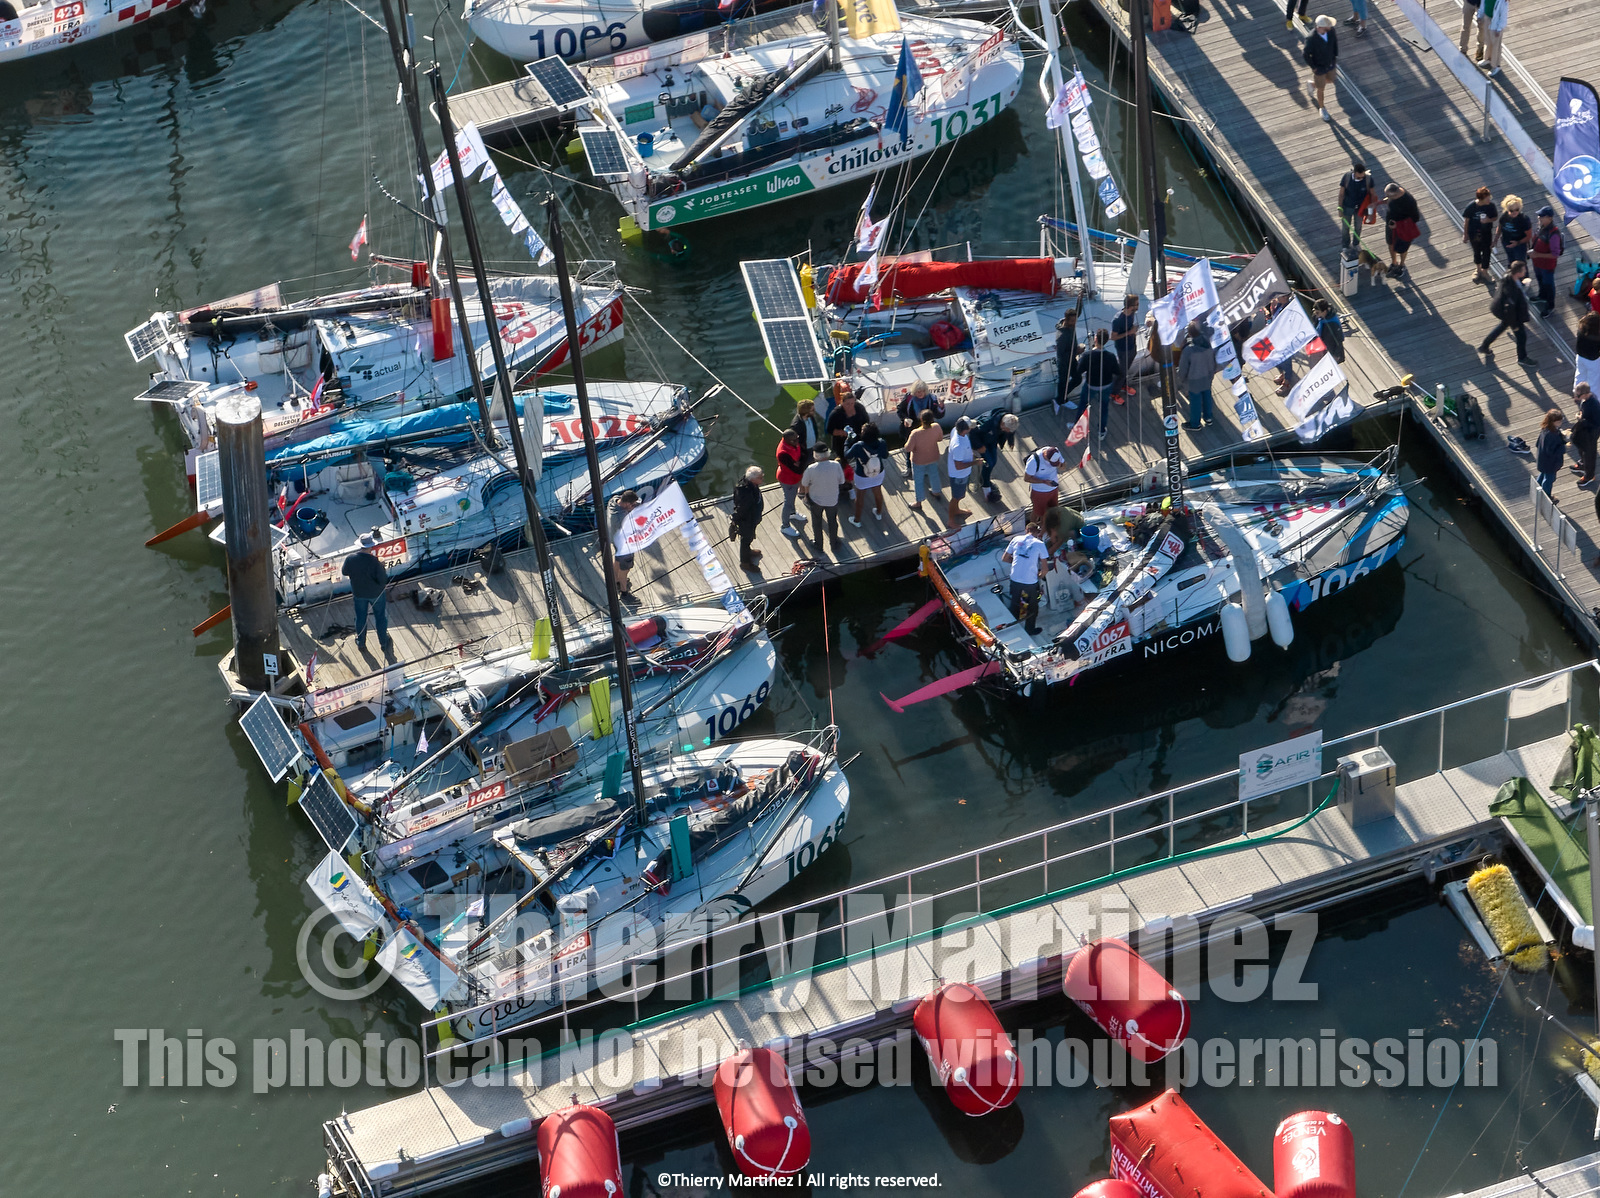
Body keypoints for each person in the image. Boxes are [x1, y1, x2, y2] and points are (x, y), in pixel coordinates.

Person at [343, 531, 393, 656]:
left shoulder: (350, 559)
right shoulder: (375, 562)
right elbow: (383, 580)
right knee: (380, 617)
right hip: (376, 594)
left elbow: (344, 572)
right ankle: (383, 643)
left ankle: (361, 643)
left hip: (359, 593)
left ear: (360, 545)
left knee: (360, 618)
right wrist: (382, 567)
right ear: (371, 546)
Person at [1478, 261, 1536, 366]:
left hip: (1502, 310)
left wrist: (1523, 284)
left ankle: (1484, 346)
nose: (1526, 271)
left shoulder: (1508, 277)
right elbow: (1511, 309)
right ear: (1518, 273)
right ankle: (1522, 358)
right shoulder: (1512, 292)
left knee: (1501, 327)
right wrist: (1516, 324)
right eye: (1524, 270)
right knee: (1521, 336)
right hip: (1511, 315)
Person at [1002, 521, 1051, 636]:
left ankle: (1013, 626)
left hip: (1014, 578)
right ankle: (1029, 629)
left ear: (1026, 530)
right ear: (1037, 533)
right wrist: (1039, 576)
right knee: (1033, 607)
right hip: (1030, 582)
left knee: (1015, 602)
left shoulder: (1015, 539)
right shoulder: (1039, 544)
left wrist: (1016, 562)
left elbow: (1004, 558)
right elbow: (1045, 569)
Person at [1078, 329, 1124, 443]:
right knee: (1104, 408)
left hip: (1091, 386)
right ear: (1107, 341)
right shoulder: (1111, 356)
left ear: (1095, 339)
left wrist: (1079, 358)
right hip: (1106, 386)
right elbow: (1118, 372)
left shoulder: (1087, 355)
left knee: (1083, 405)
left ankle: (1079, 428)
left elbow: (1079, 371)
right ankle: (1101, 431)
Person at [798, 445, 846, 552]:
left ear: (815, 455)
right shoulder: (836, 465)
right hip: (832, 499)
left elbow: (805, 483)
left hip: (815, 500)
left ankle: (818, 544)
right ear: (828, 454)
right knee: (832, 521)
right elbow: (842, 481)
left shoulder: (811, 469)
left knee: (817, 522)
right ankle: (834, 543)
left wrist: (807, 494)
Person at [969, 409, 1020, 502]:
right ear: (1003, 424)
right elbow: (973, 433)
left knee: (993, 461)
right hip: (982, 443)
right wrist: (979, 446)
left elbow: (1011, 431)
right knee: (988, 463)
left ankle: (984, 478)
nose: (1007, 431)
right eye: (1006, 430)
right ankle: (985, 486)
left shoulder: (1007, 421)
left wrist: (1010, 441)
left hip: (992, 440)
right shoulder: (987, 423)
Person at [1178, 322, 1219, 429]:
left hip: (1194, 379)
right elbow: (1213, 360)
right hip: (1207, 376)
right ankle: (1208, 417)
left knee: (1195, 401)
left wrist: (1182, 379)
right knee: (1207, 397)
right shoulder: (1208, 343)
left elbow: (1183, 368)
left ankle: (1195, 424)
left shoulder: (1188, 350)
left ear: (1190, 334)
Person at [844, 424, 889, 523]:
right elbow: (885, 456)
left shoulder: (858, 446)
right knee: (878, 492)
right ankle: (878, 512)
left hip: (862, 475)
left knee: (860, 496)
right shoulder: (882, 442)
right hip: (878, 472)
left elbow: (847, 455)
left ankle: (857, 520)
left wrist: (847, 442)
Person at [904, 410, 945, 510]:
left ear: (921, 419)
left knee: (918, 481)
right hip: (933, 457)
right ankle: (936, 491)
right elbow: (940, 439)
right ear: (932, 419)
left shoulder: (915, 433)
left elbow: (907, 449)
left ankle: (918, 502)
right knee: (934, 474)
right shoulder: (936, 426)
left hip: (919, 461)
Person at [1381, 182, 1422, 278]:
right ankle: (1394, 263)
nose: (1386, 197)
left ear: (1396, 194)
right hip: (1391, 225)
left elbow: (1415, 218)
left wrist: (1398, 225)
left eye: (1388, 195)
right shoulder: (1394, 197)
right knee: (1390, 243)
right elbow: (1391, 201)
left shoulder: (1409, 202)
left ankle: (1401, 266)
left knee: (1402, 248)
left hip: (1403, 229)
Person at [1303, 16, 1339, 123]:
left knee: (1331, 80)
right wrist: (1314, 67)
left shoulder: (1331, 31)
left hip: (1330, 62)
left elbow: (1335, 43)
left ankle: (1312, 84)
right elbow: (1305, 54)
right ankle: (1322, 107)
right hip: (1319, 67)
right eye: (1327, 26)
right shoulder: (1311, 38)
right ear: (1320, 27)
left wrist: (1335, 55)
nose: (1329, 27)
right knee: (1321, 89)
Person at [1460, 186, 1499, 283]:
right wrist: (1465, 234)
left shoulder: (1490, 206)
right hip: (1474, 233)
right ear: (1481, 198)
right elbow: (1466, 221)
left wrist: (1488, 220)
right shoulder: (1472, 206)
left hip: (1486, 233)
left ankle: (1485, 271)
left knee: (1487, 252)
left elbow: (1495, 217)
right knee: (1476, 252)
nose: (1489, 199)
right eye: (1487, 198)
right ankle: (1478, 270)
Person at [1530, 207, 1563, 317]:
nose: (1539, 218)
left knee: (1549, 285)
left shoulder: (1554, 234)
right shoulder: (1541, 227)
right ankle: (1542, 296)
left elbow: (1555, 254)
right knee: (1540, 280)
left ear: (1550, 218)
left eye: (1542, 216)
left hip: (1547, 266)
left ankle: (1550, 306)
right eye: (1539, 215)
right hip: (1538, 263)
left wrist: (1537, 254)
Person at [609, 489, 641, 599]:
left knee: (617, 561)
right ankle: (624, 592)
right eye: (632, 504)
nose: (634, 506)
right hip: (624, 546)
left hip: (614, 540)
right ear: (627, 504)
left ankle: (616, 580)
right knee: (625, 569)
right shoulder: (622, 518)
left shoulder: (613, 500)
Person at [774, 428, 805, 539]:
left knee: (791, 499)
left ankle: (792, 514)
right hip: (788, 479)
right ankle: (785, 526)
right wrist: (800, 465)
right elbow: (795, 469)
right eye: (794, 440)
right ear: (786, 440)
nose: (797, 442)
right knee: (788, 501)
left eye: (797, 439)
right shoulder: (783, 453)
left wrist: (799, 463)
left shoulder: (792, 444)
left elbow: (802, 458)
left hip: (794, 478)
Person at [731, 466, 765, 569]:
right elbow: (742, 509)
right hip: (747, 521)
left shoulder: (751, 484)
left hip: (752, 518)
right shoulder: (745, 492)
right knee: (746, 540)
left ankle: (748, 551)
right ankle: (745, 563)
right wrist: (735, 520)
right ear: (753, 479)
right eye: (760, 477)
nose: (762, 478)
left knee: (749, 538)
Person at [1337, 162, 1376, 250]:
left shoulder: (1368, 179)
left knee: (1358, 227)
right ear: (1354, 173)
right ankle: (1345, 245)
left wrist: (1371, 211)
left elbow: (1372, 194)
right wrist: (1340, 208)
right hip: (1347, 206)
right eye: (1359, 177)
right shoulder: (1346, 177)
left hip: (1360, 208)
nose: (1361, 178)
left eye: (1363, 177)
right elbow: (1341, 194)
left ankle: (1356, 243)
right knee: (1345, 228)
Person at [1110, 295, 1141, 399]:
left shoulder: (1132, 313)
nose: (1138, 306)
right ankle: (1114, 393)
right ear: (1130, 306)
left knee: (1126, 369)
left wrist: (1133, 331)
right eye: (1137, 304)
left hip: (1132, 345)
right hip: (1123, 349)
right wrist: (1129, 332)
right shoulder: (1118, 320)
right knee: (1122, 372)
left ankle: (1122, 385)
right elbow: (1113, 337)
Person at [1024, 445, 1065, 523]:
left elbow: (1063, 466)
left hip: (1053, 489)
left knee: (1052, 510)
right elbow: (1027, 478)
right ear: (1046, 456)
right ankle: (1033, 528)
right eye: (1052, 462)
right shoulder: (1033, 461)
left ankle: (1045, 529)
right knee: (1038, 512)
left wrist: (1060, 466)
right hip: (1039, 491)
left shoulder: (1056, 451)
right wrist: (1043, 481)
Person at [946, 417, 975, 526]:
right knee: (956, 497)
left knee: (959, 496)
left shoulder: (956, 431)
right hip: (958, 475)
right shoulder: (958, 446)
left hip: (963, 473)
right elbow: (958, 466)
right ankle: (950, 520)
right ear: (965, 430)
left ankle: (957, 510)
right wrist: (975, 463)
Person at [825, 385, 869, 456]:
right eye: (847, 404)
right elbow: (829, 430)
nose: (850, 406)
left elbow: (866, 422)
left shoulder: (859, 408)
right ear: (842, 402)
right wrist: (842, 432)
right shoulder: (836, 413)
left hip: (858, 441)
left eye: (852, 403)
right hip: (841, 443)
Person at [1053, 311, 1081, 413]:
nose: (1075, 323)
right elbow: (1061, 355)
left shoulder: (1071, 325)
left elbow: (1079, 310)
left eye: (1075, 320)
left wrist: (1080, 299)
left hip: (1072, 359)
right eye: (1073, 321)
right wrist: (1076, 351)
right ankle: (1061, 400)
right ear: (1067, 320)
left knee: (1078, 379)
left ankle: (1060, 398)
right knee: (1063, 381)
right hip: (1064, 362)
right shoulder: (1061, 336)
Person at [1535, 410, 1565, 498]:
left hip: (1543, 460)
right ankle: (1546, 497)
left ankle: (1537, 489)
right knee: (1549, 480)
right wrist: (1564, 446)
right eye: (1559, 421)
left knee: (1543, 475)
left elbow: (1537, 444)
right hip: (1550, 462)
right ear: (1553, 422)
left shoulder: (1545, 429)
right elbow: (1551, 451)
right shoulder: (1551, 435)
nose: (1560, 423)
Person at [1495, 195, 1531, 267]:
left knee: (1521, 265)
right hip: (1507, 243)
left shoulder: (1523, 219)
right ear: (1507, 209)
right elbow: (1499, 228)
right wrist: (1495, 241)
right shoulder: (1504, 217)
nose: (1514, 212)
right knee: (1511, 263)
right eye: (1511, 210)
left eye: (1517, 209)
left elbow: (1529, 236)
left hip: (1519, 245)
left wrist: (1518, 243)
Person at [1574, 384, 1600, 486]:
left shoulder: (1594, 405)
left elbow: (1597, 423)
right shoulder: (1586, 400)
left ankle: (1589, 476)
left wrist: (1581, 420)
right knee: (1580, 446)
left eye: (1578, 396)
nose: (1576, 397)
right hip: (1585, 429)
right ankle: (1582, 464)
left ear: (1585, 394)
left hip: (1592, 431)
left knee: (1589, 453)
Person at [1475, 0, 1508, 75]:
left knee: (1495, 45)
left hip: (1495, 23)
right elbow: (1483, 5)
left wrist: (1499, 28)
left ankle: (1496, 65)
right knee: (1487, 40)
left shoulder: (1502, 1)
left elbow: (1503, 16)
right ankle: (1487, 58)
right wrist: (1480, 15)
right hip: (1487, 18)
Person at [1575, 312, 1600, 397]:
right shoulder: (1597, 337)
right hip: (1592, 361)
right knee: (1594, 382)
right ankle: (1595, 399)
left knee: (1580, 374)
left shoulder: (1581, 330)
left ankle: (1576, 391)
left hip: (1580, 356)